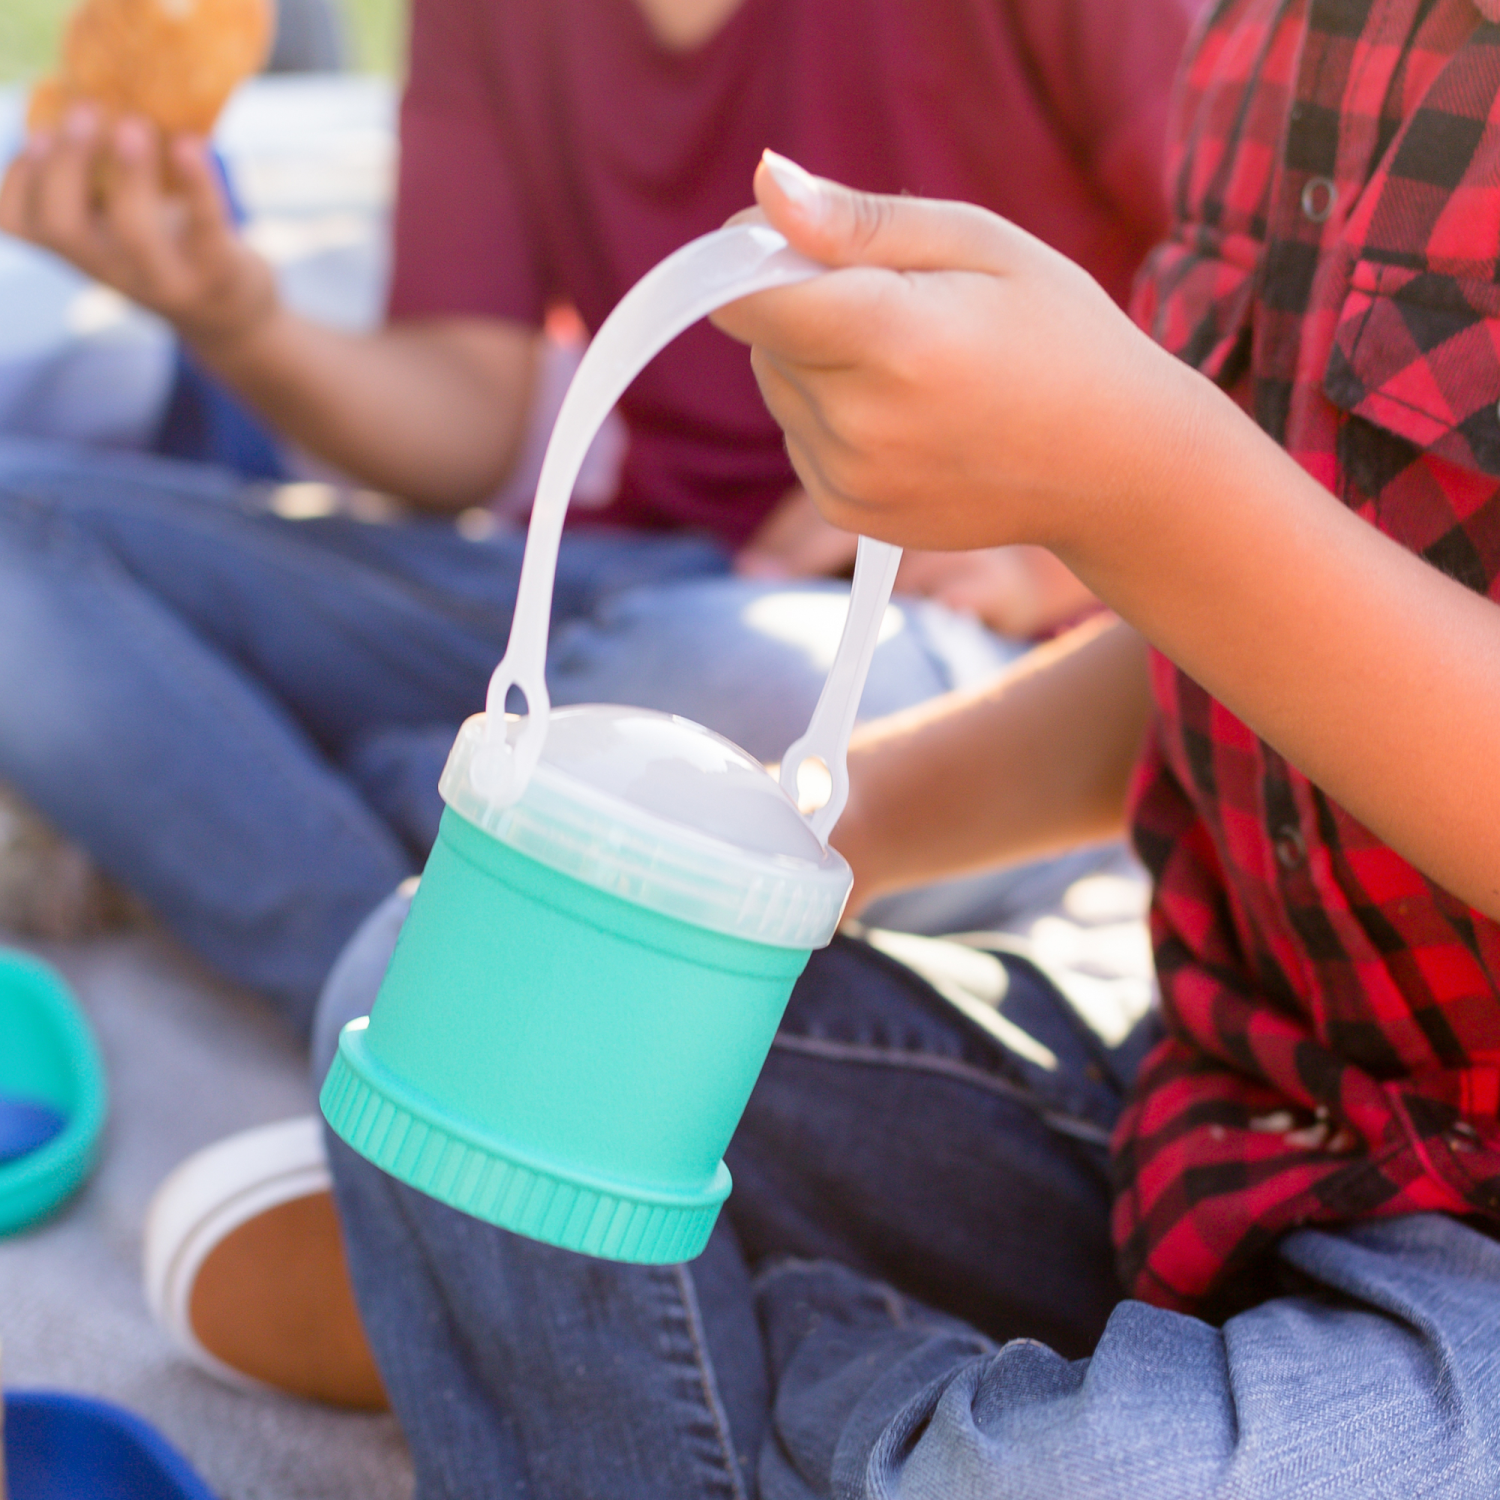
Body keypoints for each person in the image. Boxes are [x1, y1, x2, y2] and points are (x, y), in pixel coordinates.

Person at [157, 0, 1500, 1489]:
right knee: (440, 993)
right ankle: (642, 1331)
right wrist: (827, 842)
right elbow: (1246, 647)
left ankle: (597, 1337)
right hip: (1222, 1118)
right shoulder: (1278, 37)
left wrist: (1129, 477)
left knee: (1072, 1477)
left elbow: (1177, 518)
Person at [0, 0, 1193, 1032]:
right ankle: (390, 977)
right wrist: (236, 318)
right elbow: (467, 413)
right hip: (595, 587)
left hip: (925, 655)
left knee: (731, 698)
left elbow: (1263, 336)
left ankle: (253, 816)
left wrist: (1036, 547)